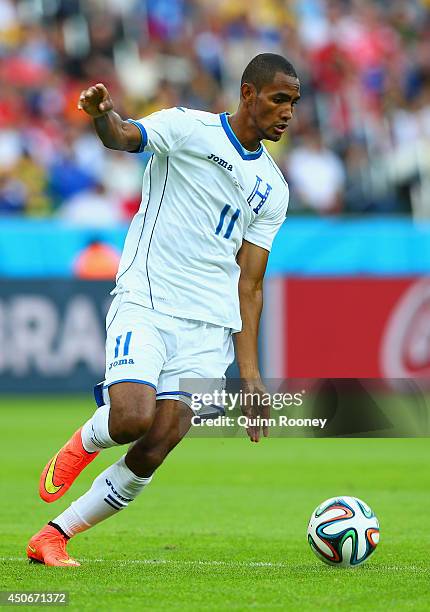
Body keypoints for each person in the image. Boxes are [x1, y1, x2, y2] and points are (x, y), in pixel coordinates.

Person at [26, 53, 301, 567]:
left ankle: (53, 537)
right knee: (130, 418)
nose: (287, 112)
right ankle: (85, 441)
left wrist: (251, 374)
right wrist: (100, 115)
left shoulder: (274, 190)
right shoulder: (187, 128)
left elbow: (251, 283)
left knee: (156, 445)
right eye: (278, 99)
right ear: (248, 94)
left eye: (293, 103)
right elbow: (125, 137)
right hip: (148, 301)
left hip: (209, 329)